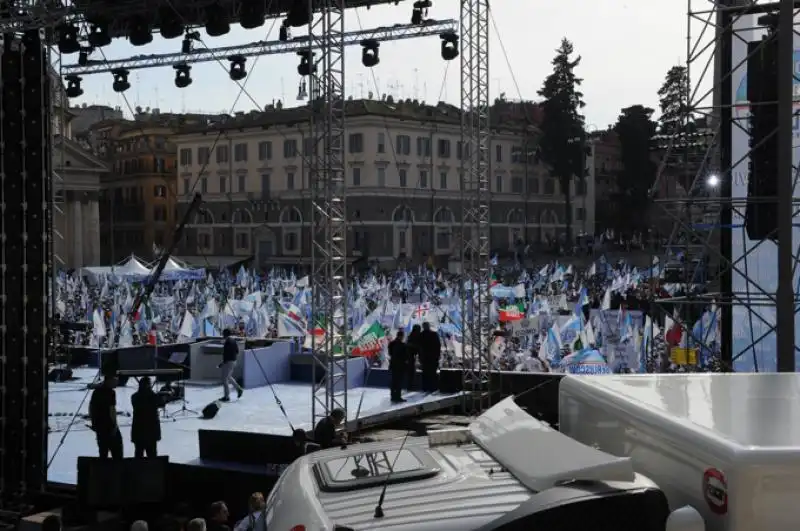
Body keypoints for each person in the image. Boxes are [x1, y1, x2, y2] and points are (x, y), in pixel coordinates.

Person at [89, 369, 123, 459]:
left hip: (99, 427)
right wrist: (115, 426)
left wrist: (93, 423)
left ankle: (103, 470)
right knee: (117, 452)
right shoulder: (111, 393)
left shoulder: (96, 391)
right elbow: (112, 410)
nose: (117, 382)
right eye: (115, 380)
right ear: (109, 380)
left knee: (103, 452)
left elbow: (91, 408)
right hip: (109, 426)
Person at [130, 376, 162, 458]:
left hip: (138, 430)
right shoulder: (154, 397)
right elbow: (160, 403)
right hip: (151, 431)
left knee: (138, 454)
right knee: (152, 455)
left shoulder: (134, 397)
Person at [220, 329, 244, 402]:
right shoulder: (233, 340)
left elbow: (226, 354)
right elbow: (237, 351)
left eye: (223, 334)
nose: (222, 335)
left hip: (229, 362)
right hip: (233, 361)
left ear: (225, 334)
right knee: (229, 377)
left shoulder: (227, 342)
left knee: (225, 379)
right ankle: (239, 389)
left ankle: (226, 397)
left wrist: (223, 363)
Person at [419, 322, 441, 393]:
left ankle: (425, 387)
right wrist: (438, 355)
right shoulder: (434, 334)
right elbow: (438, 346)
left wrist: (420, 357)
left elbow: (419, 347)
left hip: (425, 357)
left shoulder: (421, 335)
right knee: (432, 373)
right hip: (433, 357)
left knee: (425, 373)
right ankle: (433, 387)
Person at [388, 330, 408, 402]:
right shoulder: (403, 345)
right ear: (401, 336)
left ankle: (393, 396)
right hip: (400, 366)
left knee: (394, 381)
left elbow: (390, 353)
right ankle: (398, 397)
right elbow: (405, 356)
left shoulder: (391, 344)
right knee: (399, 382)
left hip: (393, 365)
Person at [405, 324, 422, 391]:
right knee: (411, 372)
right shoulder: (413, 336)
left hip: (411, 356)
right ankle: (410, 386)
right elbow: (410, 345)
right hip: (410, 356)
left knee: (411, 372)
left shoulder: (411, 335)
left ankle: (411, 385)